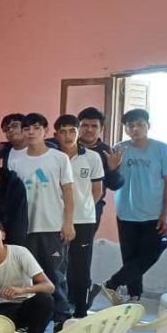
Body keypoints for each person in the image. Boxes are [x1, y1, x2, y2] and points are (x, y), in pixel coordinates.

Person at [100, 109, 167, 305]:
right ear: (125, 128)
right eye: (130, 125)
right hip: (126, 214)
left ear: (148, 126)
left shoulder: (162, 149)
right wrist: (112, 167)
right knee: (131, 258)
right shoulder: (119, 149)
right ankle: (134, 296)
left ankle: (111, 284)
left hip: (154, 214)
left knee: (153, 251)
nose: (135, 128)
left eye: (139, 124)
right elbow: (112, 180)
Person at [7, 113, 75, 328]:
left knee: (55, 275)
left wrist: (68, 223)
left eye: (36, 128)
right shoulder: (15, 159)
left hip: (52, 226)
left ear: (45, 131)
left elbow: (68, 192)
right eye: (27, 128)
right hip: (24, 228)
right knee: (26, 276)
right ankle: (31, 319)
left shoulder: (59, 158)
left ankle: (61, 318)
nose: (31, 132)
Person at [53, 115, 103, 318]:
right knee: (57, 269)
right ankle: (59, 314)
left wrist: (82, 208)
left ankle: (81, 312)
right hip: (54, 221)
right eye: (63, 131)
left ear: (78, 132)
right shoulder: (51, 157)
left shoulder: (92, 157)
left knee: (80, 268)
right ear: (56, 134)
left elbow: (97, 191)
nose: (67, 135)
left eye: (72, 131)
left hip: (84, 221)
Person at [0, 218, 54, 333]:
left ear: (3, 235)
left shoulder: (19, 252)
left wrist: (22, 290)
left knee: (45, 300)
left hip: (25, 303)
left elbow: (49, 286)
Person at [76, 107, 124, 223]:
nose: (89, 130)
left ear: (101, 129)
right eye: (85, 125)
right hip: (64, 204)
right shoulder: (67, 147)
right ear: (78, 127)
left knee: (84, 241)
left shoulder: (108, 152)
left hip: (93, 207)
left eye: (94, 126)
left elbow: (115, 185)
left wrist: (113, 169)